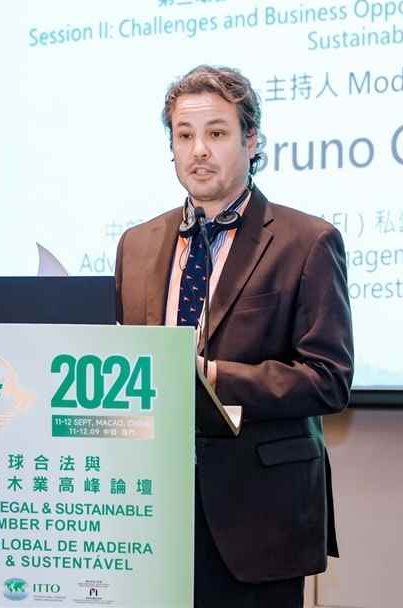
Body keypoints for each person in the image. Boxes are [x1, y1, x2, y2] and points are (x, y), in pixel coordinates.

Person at [114, 65, 354, 607]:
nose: (198, 150)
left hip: (258, 514)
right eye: (184, 135)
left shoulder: (307, 241)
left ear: (251, 141)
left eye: (217, 133)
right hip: (148, 511)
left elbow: (329, 380)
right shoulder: (137, 243)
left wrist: (213, 377)